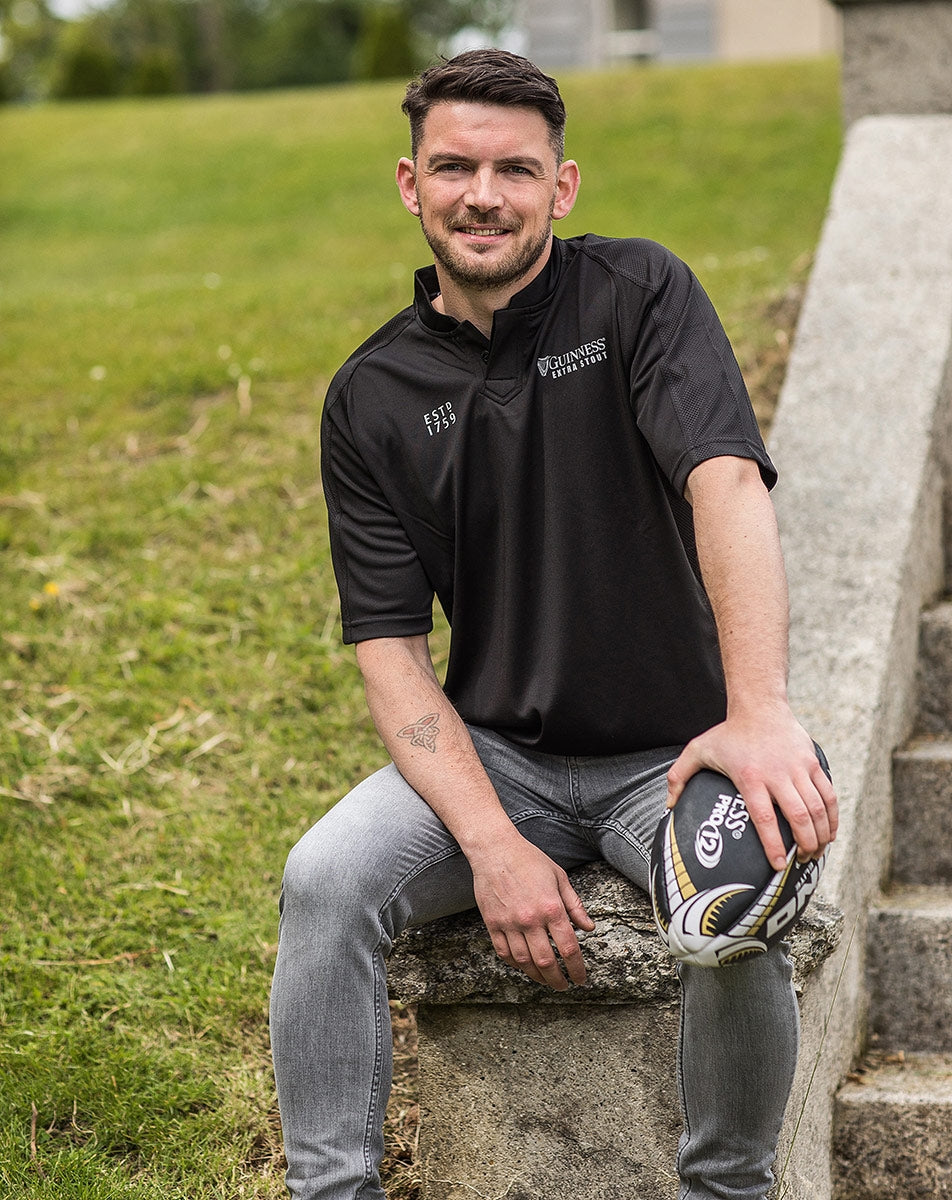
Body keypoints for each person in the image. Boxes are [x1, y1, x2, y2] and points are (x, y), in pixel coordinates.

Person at [269, 48, 839, 1200]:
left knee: (740, 898)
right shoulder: (370, 397)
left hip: (674, 754)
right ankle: (330, 1190)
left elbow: (724, 481)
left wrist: (758, 716)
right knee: (324, 878)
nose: (484, 193)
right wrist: (490, 843)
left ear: (561, 187)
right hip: (500, 759)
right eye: (455, 167)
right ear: (410, 182)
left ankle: (725, 1190)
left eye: (514, 170)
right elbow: (390, 655)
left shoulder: (638, 294)